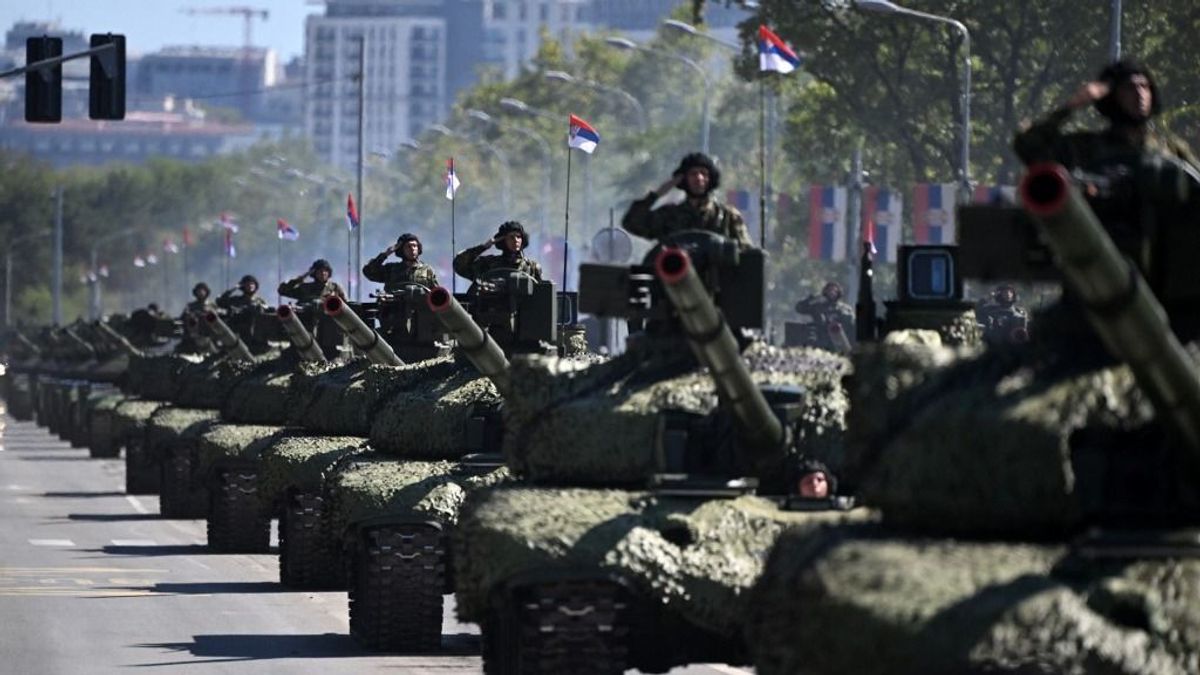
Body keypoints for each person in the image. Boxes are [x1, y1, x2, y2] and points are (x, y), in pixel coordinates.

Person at [1013, 60, 1200, 338]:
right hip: (1104, 276)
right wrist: (1073, 105)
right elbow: (1028, 147)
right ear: (1111, 97)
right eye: (1129, 88)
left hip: (1169, 285)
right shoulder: (1086, 149)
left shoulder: (1171, 152)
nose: (1139, 95)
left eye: (1144, 86)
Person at [621, 152, 754, 249]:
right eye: (693, 173)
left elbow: (747, 253)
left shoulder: (727, 217)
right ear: (684, 179)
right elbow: (631, 222)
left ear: (711, 179)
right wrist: (657, 194)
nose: (699, 178)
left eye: (704, 173)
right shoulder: (669, 215)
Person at [453, 221, 543, 284]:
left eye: (518, 237)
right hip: (491, 309)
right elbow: (459, 264)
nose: (516, 240)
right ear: (503, 240)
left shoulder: (532, 268)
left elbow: (541, 295)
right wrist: (484, 247)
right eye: (511, 237)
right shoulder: (489, 264)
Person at [363, 233, 439, 292]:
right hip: (395, 310)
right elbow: (369, 272)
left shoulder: (427, 270)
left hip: (420, 309)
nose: (412, 249)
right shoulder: (391, 269)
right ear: (402, 250)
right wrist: (386, 254)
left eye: (415, 246)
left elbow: (437, 293)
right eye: (408, 246)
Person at [793, 281, 855, 353]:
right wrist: (812, 299)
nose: (832, 293)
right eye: (830, 290)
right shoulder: (818, 306)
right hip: (821, 339)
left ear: (838, 292)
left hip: (841, 341)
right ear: (825, 292)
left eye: (834, 291)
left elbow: (852, 325)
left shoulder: (845, 309)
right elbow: (799, 308)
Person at [278, 259, 346, 304]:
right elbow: (282, 290)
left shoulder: (335, 288)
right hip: (307, 321)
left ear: (329, 272)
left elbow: (346, 304)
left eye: (325, 271)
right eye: (320, 271)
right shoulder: (306, 288)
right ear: (314, 273)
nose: (323, 273)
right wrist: (300, 279)